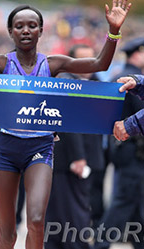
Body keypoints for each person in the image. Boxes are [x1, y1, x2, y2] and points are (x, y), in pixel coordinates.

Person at [0, 0, 131, 249]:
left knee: (37, 220)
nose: (26, 30)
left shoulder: (52, 64)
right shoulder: (0, 62)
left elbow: (99, 64)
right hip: (6, 147)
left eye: (32, 25)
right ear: (11, 32)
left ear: (41, 31)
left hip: (40, 147)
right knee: (7, 233)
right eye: (19, 26)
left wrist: (113, 32)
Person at [44, 44, 105, 249]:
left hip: (88, 156)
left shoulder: (95, 82)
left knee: (73, 205)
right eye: (81, 60)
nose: (87, 65)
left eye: (91, 59)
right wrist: (78, 157)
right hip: (71, 160)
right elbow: (70, 123)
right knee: (70, 208)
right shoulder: (67, 83)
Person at [93, 37, 144, 249]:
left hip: (126, 147)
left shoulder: (120, 75)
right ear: (137, 53)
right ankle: (101, 243)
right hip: (133, 149)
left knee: (136, 203)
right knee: (124, 201)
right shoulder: (127, 77)